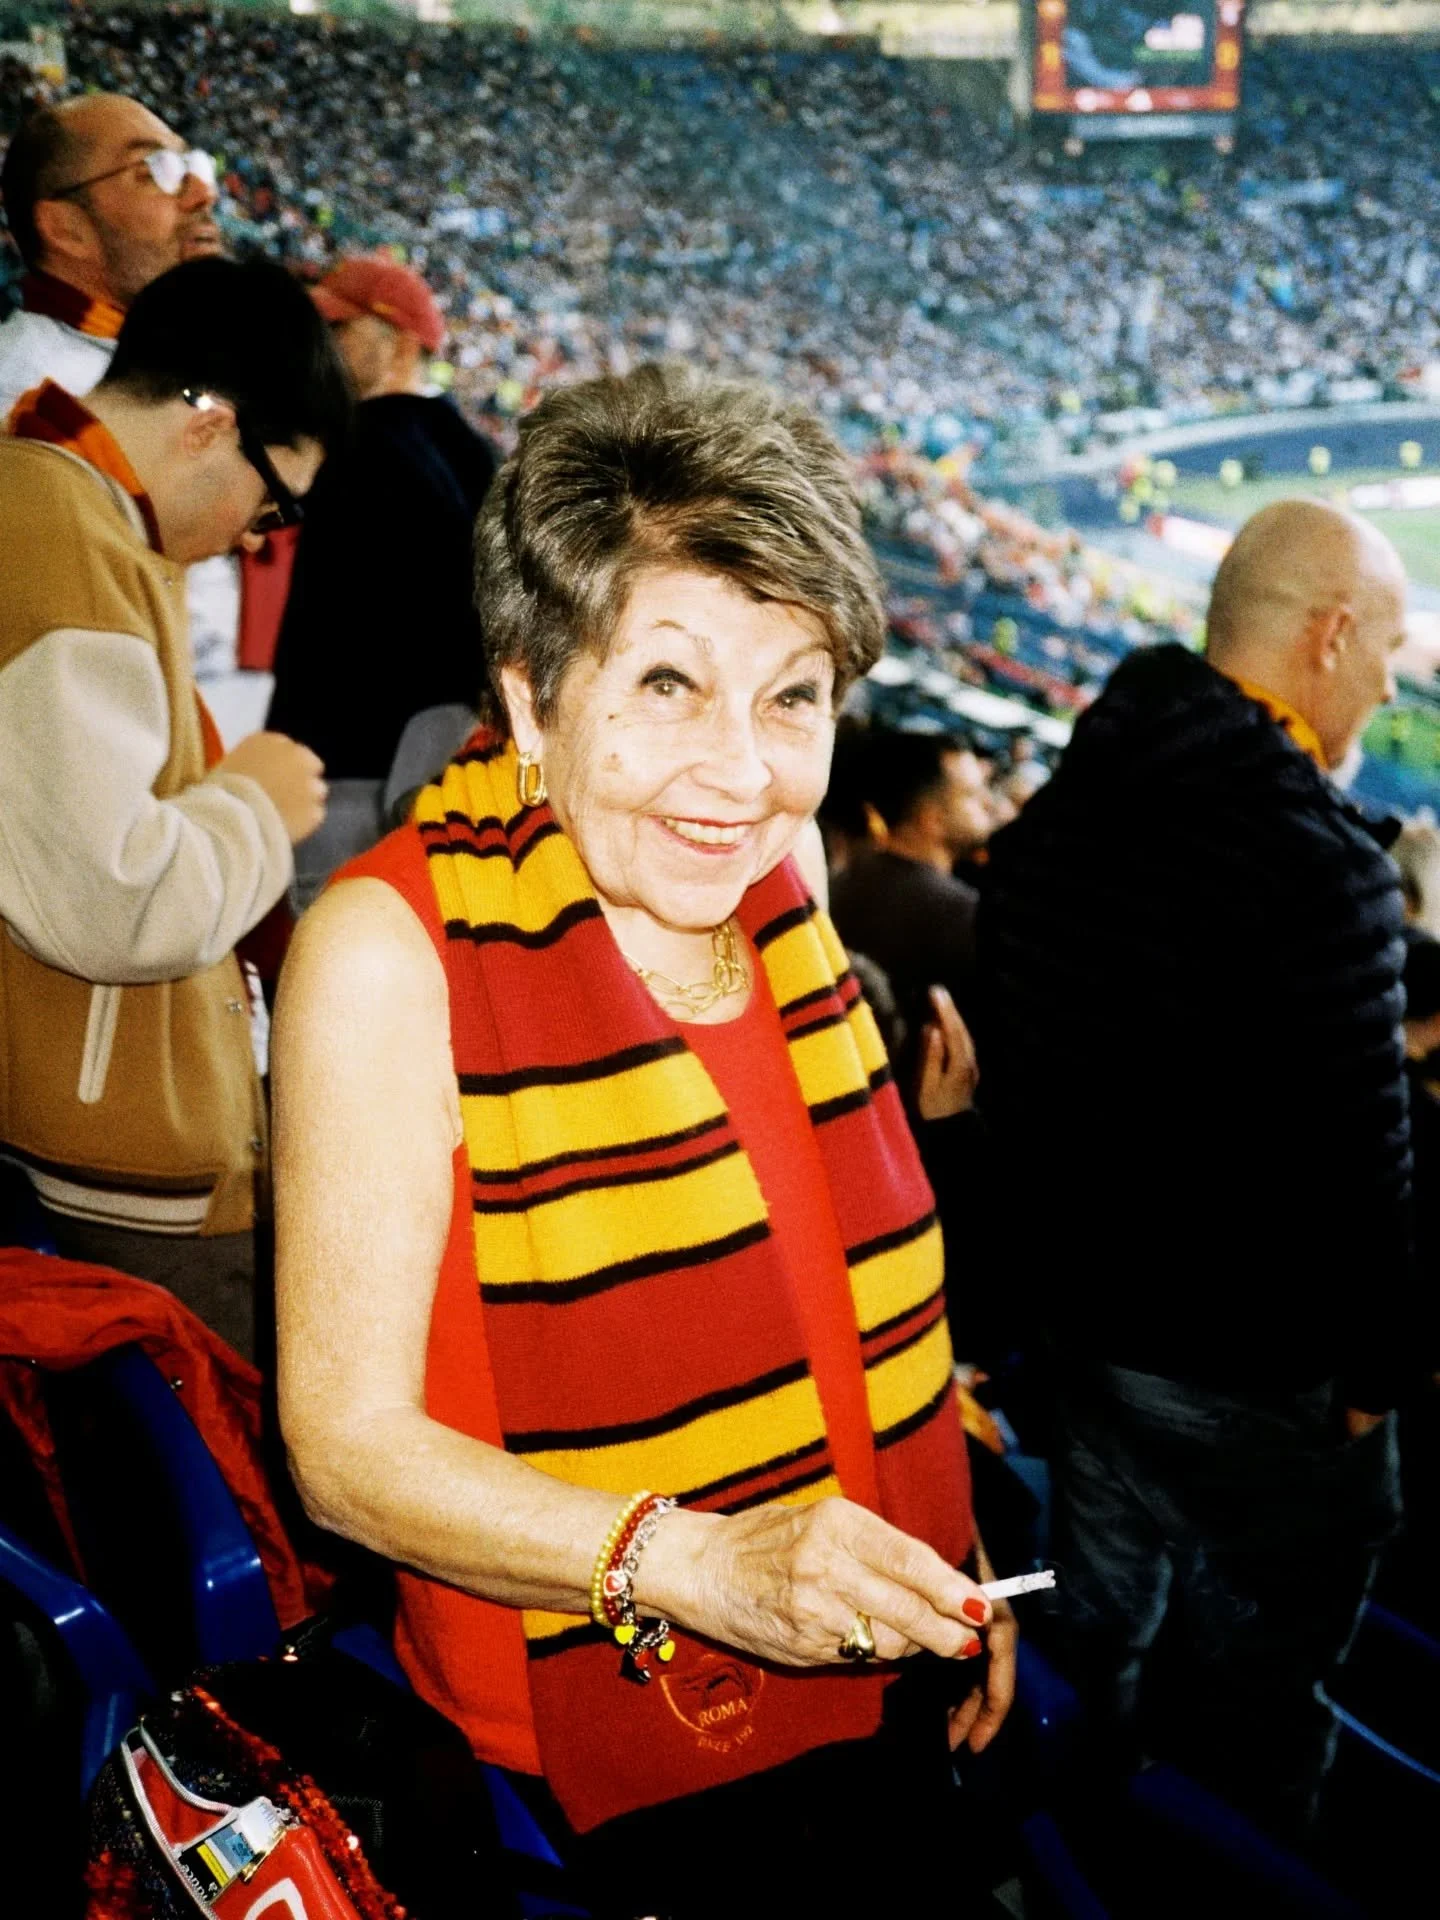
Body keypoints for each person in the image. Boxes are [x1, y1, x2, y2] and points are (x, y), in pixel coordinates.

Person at [273, 364, 1014, 1919]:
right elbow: (344, 1452)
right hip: (597, 1760)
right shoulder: (385, 953)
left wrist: (943, 1551)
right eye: (667, 684)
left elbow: (827, 1266)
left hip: (874, 1670)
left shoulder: (779, 873)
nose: (740, 771)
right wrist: (706, 1569)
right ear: (532, 693)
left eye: (792, 695)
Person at [978, 498, 1420, 1839]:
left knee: (1103, 1622)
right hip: (1250, 1371)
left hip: (1092, 1333)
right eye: (1390, 649)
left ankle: (1089, 1825)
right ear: (1332, 637)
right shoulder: (1310, 865)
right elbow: (1365, 1164)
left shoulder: (1065, 811)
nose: (1393, 681)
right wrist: (1377, 1381)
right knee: (1262, 1684)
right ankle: (1233, 1855)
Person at [0, 256, 351, 1360]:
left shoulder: (74, 515)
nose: (260, 535)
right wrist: (256, 801)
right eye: (276, 498)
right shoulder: (62, 528)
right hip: (110, 1167)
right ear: (211, 425)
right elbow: (114, 900)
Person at [0, 94, 252, 728]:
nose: (200, 194)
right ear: (67, 228)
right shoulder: (26, 395)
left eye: (193, 164)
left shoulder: (164, 366)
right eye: (154, 172)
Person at [266, 254, 498, 903]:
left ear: (398, 341)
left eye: (339, 331)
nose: (324, 348)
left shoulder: (357, 450)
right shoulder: (475, 453)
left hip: (341, 777)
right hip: (426, 773)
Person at [829, 727, 991, 1078]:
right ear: (931, 819)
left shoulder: (843, 877)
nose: (989, 805)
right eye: (972, 796)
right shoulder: (962, 913)